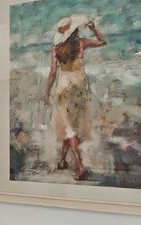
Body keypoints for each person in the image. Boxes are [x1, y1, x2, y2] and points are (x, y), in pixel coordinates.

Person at [43, 14, 106, 181]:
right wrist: (93, 28)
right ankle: (64, 160)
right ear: (75, 31)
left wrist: (47, 91)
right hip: (79, 88)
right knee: (71, 126)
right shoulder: (81, 44)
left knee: (69, 127)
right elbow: (102, 41)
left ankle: (79, 166)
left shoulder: (57, 50)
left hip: (64, 88)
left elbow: (53, 73)